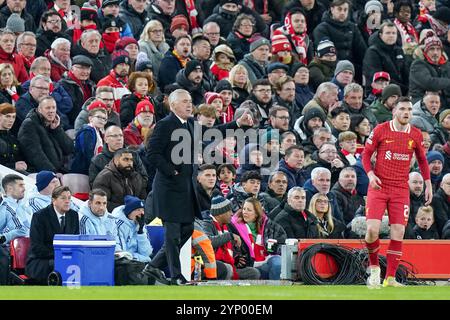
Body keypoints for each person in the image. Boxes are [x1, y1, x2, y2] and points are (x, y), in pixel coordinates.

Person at [142, 88, 253, 285]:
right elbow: (152, 154)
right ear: (173, 104)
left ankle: (152, 267)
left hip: (186, 188)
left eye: (190, 101)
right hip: (169, 188)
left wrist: (237, 124)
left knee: (185, 231)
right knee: (173, 234)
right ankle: (176, 276)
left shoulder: (191, 124)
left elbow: (214, 132)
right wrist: (171, 170)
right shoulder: (165, 125)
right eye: (184, 101)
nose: (189, 104)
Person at [363, 96, 433, 288]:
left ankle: (390, 278)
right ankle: (375, 268)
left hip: (400, 189)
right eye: (402, 109)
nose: (406, 113)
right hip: (378, 186)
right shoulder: (381, 130)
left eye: (409, 110)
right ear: (394, 111)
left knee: (398, 232)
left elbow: (422, 160)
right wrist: (370, 175)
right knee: (372, 230)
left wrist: (428, 183)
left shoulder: (416, 134)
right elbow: (366, 155)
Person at [25, 186, 79, 285]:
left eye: (69, 198)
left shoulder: (73, 215)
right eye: (63, 198)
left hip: (67, 258)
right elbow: (36, 247)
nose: (67, 201)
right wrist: (60, 255)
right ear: (54, 200)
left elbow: (75, 242)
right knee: (62, 265)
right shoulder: (40, 216)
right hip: (41, 260)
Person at [202, 196, 261, 280]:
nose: (232, 214)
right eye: (229, 211)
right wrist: (230, 235)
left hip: (228, 265)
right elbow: (208, 242)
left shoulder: (226, 226)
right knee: (227, 268)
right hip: (211, 265)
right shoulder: (207, 224)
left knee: (253, 273)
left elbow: (229, 251)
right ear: (220, 213)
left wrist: (236, 259)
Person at [229, 197, 286, 280]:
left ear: (256, 213)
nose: (245, 212)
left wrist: (275, 248)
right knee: (255, 272)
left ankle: (276, 289)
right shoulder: (233, 226)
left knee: (277, 262)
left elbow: (283, 245)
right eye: (244, 209)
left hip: (264, 262)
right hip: (246, 265)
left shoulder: (270, 226)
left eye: (249, 210)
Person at [18, 96, 74, 173]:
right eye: (47, 108)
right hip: (41, 173)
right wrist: (52, 173)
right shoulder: (29, 124)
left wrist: (57, 130)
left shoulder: (54, 123)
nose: (51, 111)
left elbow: (69, 148)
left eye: (53, 108)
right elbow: (36, 155)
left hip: (59, 169)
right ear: (39, 109)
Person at [92, 148, 147, 212]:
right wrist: (126, 209)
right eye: (125, 159)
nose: (129, 163)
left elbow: (143, 199)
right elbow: (102, 203)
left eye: (131, 160)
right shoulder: (104, 177)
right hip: (113, 217)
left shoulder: (137, 177)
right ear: (116, 161)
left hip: (136, 215)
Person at [0, 174, 27, 285]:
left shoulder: (9, 207)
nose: (24, 188)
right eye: (20, 185)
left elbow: (22, 229)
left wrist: (3, 237)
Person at [70, 108, 107, 175]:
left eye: (104, 119)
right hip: (82, 170)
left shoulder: (99, 132)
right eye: (99, 117)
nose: (102, 120)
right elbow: (87, 153)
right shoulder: (87, 131)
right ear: (90, 118)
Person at [0, 103, 27, 172]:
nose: (11, 120)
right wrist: (13, 165)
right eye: (8, 116)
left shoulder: (12, 137)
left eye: (13, 117)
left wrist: (23, 163)